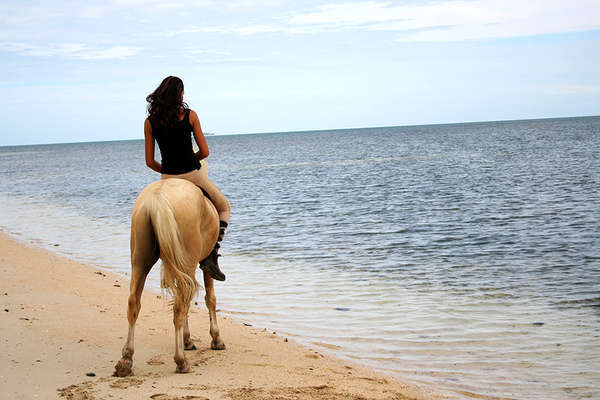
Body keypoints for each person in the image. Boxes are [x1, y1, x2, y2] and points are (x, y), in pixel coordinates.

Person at [144, 76, 230, 281]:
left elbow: (149, 161)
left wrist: (166, 171)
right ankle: (211, 255)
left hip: (166, 177)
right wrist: (191, 160)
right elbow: (205, 152)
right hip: (192, 175)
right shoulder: (191, 116)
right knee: (225, 207)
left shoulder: (150, 122)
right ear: (180, 94)